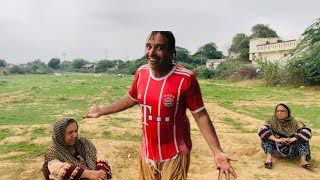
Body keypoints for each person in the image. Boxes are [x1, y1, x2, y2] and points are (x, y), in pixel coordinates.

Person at [84, 31, 237, 180]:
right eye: (148, 46)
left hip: (175, 153)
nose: (151, 52)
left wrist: (217, 151)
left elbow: (201, 115)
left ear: (172, 52)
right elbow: (132, 98)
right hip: (147, 153)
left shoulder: (186, 79)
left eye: (160, 47)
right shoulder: (141, 73)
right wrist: (101, 111)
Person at [42, 118, 112, 180]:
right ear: (60, 135)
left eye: (76, 131)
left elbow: (98, 156)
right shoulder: (53, 152)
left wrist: (101, 172)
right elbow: (59, 170)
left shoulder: (83, 143)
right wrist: (90, 174)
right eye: (70, 133)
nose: (75, 135)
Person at [258, 103, 313, 170]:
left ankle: (303, 161)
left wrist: (293, 139)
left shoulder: (294, 122)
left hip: (292, 149)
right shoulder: (271, 121)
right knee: (266, 134)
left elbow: (307, 131)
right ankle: (268, 159)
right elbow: (261, 130)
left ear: (287, 112)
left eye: (282, 111)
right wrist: (276, 139)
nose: (279, 113)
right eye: (277, 111)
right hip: (275, 149)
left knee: (302, 136)